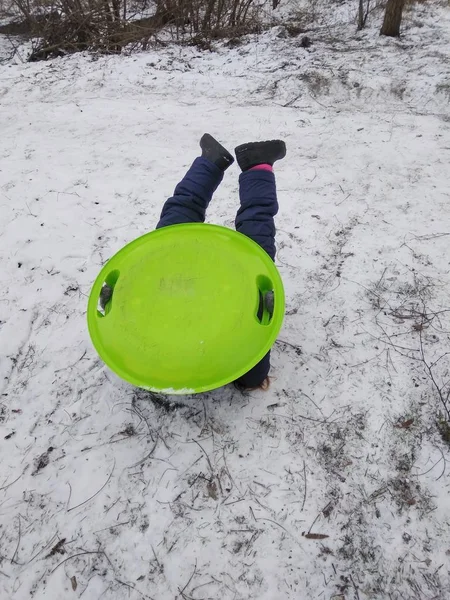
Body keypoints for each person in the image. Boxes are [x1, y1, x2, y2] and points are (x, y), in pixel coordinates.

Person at [156, 134, 286, 390]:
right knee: (180, 220)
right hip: (225, 284)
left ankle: (218, 161)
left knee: (178, 226)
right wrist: (254, 378)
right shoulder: (225, 354)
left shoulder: (158, 353)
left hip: (183, 280)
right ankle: (224, 161)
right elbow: (253, 366)